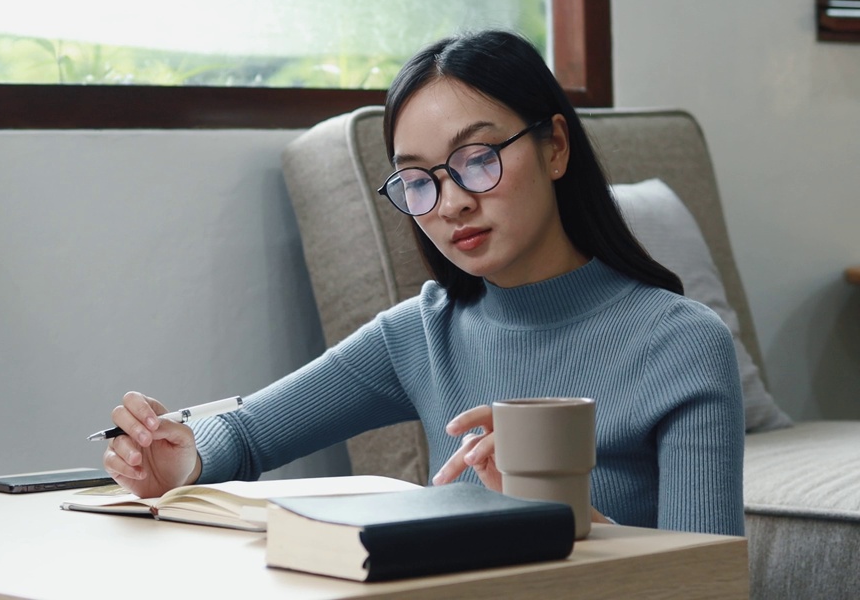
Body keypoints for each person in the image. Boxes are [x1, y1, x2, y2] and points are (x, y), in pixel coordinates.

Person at [102, 30, 745, 536]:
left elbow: (707, 580)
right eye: (418, 180)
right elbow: (249, 433)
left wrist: (564, 511)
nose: (450, 203)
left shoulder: (683, 345)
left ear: (555, 146)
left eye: (478, 159)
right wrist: (176, 458)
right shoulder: (425, 332)